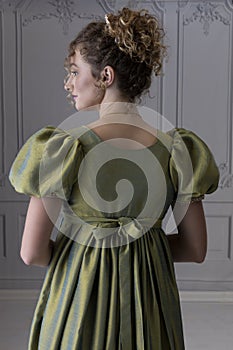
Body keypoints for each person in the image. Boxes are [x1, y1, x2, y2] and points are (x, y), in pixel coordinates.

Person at [9, 7, 219, 350]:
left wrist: (87, 250)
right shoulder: (179, 150)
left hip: (78, 299)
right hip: (149, 301)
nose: (69, 83)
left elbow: (32, 253)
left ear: (105, 76)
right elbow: (195, 249)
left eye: (75, 72)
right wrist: (139, 246)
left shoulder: (62, 149)